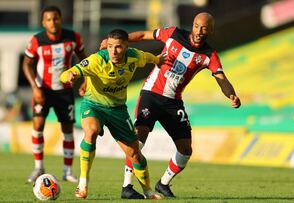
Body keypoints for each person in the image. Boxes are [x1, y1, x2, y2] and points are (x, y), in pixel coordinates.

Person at [102, 12, 241, 198]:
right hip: (151, 95)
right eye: (197, 26)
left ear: (211, 30)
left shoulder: (209, 55)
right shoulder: (174, 33)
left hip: (173, 102)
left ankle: (163, 183)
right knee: (138, 140)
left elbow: (221, 78)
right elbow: (144, 35)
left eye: (204, 28)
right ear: (192, 25)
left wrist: (231, 94)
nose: (199, 31)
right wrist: (118, 42)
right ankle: (127, 187)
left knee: (186, 149)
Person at [60, 29, 165, 199]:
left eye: (118, 47)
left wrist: (158, 60)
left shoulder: (134, 56)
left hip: (117, 109)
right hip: (94, 105)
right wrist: (70, 75)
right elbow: (66, 74)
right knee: (91, 131)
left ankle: (148, 191)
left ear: (126, 46)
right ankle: (82, 184)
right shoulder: (97, 59)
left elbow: (148, 57)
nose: (113, 51)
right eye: (110, 46)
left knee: (135, 154)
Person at [23, 5, 87, 183]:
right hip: (42, 90)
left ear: (61, 19)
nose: (53, 22)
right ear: (43, 22)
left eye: (56, 18)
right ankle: (38, 168)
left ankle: (67, 171)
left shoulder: (73, 37)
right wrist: (35, 88)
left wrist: (85, 79)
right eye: (49, 19)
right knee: (38, 125)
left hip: (65, 91)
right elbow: (26, 64)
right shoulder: (37, 40)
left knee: (67, 130)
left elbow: (85, 60)